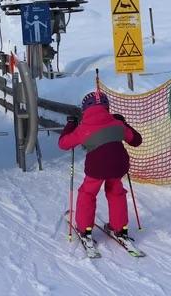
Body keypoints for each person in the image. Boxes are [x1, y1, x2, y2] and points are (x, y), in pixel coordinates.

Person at [59, 90, 142, 239]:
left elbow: (64, 144)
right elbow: (136, 140)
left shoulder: (83, 128)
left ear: (85, 110)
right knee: (116, 192)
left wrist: (70, 125)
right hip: (119, 165)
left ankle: (84, 230)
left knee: (88, 193)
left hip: (97, 167)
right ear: (107, 107)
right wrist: (123, 123)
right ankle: (119, 228)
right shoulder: (117, 124)